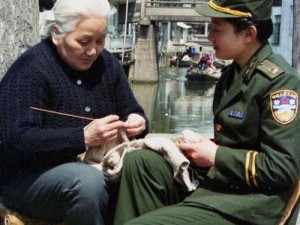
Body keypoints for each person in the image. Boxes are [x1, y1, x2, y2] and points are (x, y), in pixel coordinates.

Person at [112, 0, 300, 224]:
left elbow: (282, 168)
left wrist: (214, 155)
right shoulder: (231, 74)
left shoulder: (280, 83)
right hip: (221, 185)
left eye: (216, 29)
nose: (210, 36)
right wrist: (204, 147)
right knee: (139, 162)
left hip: (250, 204)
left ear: (249, 34)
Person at [0, 0, 148, 224]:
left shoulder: (107, 63)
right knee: (87, 183)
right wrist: (83, 137)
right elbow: (18, 140)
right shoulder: (31, 69)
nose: (93, 50)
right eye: (84, 41)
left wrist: (138, 122)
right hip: (28, 177)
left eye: (100, 40)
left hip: (95, 166)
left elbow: (132, 110)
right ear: (57, 33)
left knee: (146, 166)